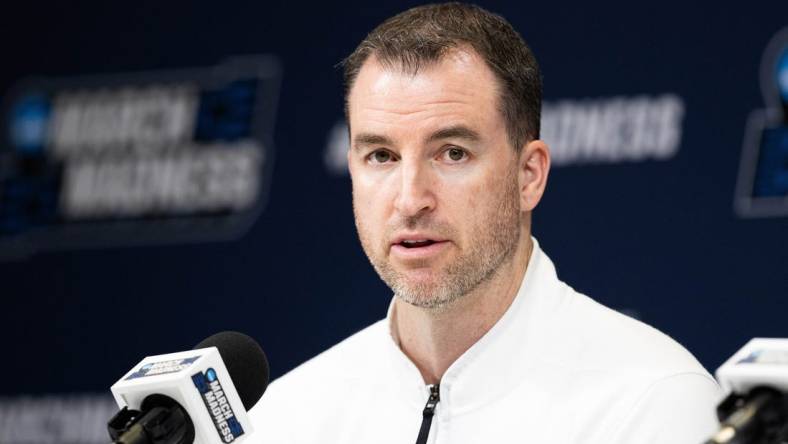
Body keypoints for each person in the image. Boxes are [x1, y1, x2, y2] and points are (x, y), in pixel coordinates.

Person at [250, 3, 721, 443]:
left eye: (453, 153)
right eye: (381, 156)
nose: (410, 199)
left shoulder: (652, 402)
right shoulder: (284, 419)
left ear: (528, 175)